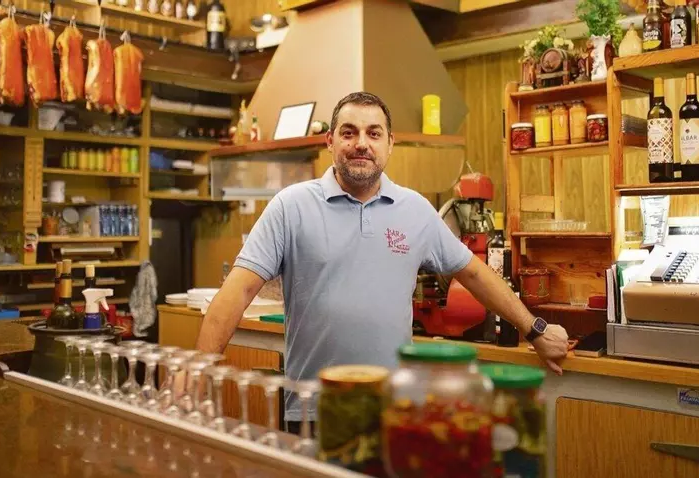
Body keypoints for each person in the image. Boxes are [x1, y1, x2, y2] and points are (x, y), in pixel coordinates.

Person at [196, 91, 569, 433]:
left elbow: (473, 272)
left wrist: (533, 329)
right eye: (349, 132)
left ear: (390, 144)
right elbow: (237, 291)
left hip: (394, 411)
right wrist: (196, 376)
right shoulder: (290, 206)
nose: (361, 143)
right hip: (315, 411)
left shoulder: (415, 209)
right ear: (330, 142)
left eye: (373, 133)